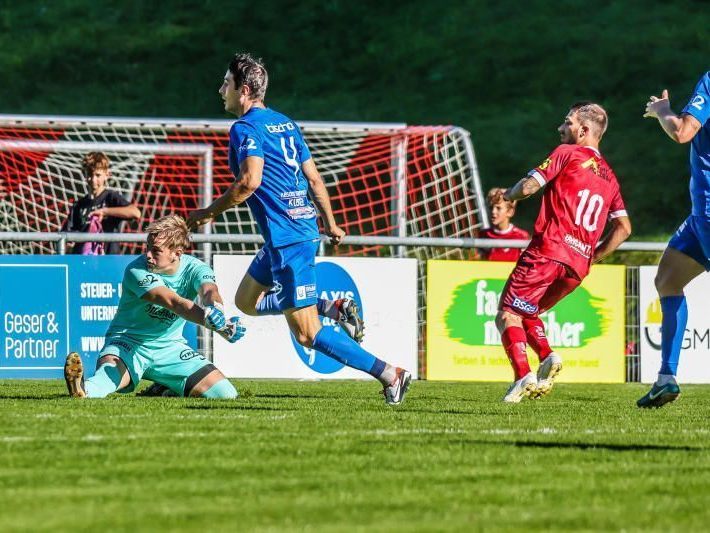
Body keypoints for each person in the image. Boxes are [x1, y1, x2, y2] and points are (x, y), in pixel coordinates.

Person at [187, 52, 411, 405]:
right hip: (292, 233)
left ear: (244, 90)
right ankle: (329, 306)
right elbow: (314, 179)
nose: (221, 90)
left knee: (307, 334)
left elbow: (249, 181)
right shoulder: (286, 124)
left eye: (226, 83)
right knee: (246, 301)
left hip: (289, 238)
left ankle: (389, 374)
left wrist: (208, 213)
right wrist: (331, 224)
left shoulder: (245, 128)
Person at [496, 102, 632, 403]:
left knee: (508, 313)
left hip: (548, 250)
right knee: (527, 311)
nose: (560, 128)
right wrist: (591, 256)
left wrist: (508, 194)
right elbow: (624, 228)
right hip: (577, 266)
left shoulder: (567, 153)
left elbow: (528, 188)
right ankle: (547, 355)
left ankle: (523, 375)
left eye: (567, 122)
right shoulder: (610, 178)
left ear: (583, 130)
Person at [63, 214, 245, 399]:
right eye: (147, 248)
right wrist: (215, 324)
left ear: (177, 254)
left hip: (170, 348)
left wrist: (217, 311)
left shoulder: (196, 268)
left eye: (156, 251)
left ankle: (165, 388)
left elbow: (209, 291)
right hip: (127, 343)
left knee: (226, 394)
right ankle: (84, 389)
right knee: (108, 376)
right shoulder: (136, 270)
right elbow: (175, 303)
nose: (148, 255)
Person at [637, 72, 710, 408]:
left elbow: (682, 132)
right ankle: (666, 378)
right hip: (699, 217)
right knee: (667, 279)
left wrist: (663, 110)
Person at [61, 152, 141, 254]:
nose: (93, 180)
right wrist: (70, 244)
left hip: (108, 258)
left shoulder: (110, 198)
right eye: (90, 175)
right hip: (84, 259)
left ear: (107, 175)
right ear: (84, 174)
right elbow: (65, 236)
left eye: (98, 175)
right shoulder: (79, 205)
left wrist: (105, 211)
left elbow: (135, 213)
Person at [478, 187, 530, 261]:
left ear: (510, 212)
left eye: (498, 208)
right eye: (491, 207)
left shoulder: (521, 236)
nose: (493, 211)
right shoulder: (484, 234)